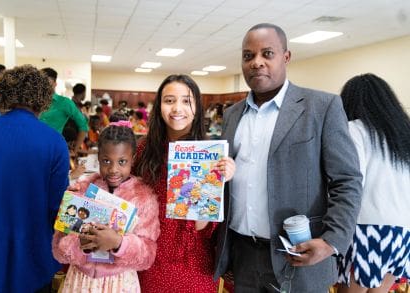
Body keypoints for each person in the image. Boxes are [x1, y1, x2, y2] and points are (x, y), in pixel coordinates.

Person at [213, 23, 363, 293]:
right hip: (243, 254)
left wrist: (331, 241)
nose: (257, 63)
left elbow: (347, 180)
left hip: (298, 254)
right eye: (248, 56)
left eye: (267, 53)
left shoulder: (321, 107)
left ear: (286, 56)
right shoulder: (233, 114)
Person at [0, 65, 70, 292]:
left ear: (2, 94)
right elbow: (59, 208)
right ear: (44, 99)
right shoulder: (55, 142)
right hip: (34, 255)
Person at [134, 74, 235, 293]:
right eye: (169, 100)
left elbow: (202, 225)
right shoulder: (144, 150)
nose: (177, 108)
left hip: (194, 260)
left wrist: (219, 179)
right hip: (151, 258)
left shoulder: (212, 154)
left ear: (197, 107)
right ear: (159, 105)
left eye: (186, 101)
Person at [52, 123, 160, 292]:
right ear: (98, 158)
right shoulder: (82, 190)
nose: (113, 169)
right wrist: (78, 244)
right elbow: (59, 250)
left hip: (119, 283)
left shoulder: (143, 198)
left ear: (133, 159)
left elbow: (147, 256)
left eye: (122, 161)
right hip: (81, 281)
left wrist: (119, 243)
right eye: (106, 161)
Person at [336, 73, 410, 293]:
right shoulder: (402, 136)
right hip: (401, 231)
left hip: (365, 228)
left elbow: (351, 181)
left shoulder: (354, 129)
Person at [39, 67, 89, 154]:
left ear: (55, 83)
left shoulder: (64, 103)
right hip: (32, 150)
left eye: (48, 84)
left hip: (54, 151)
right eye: (42, 84)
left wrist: (75, 150)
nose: (45, 88)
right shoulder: (32, 102)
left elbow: (83, 126)